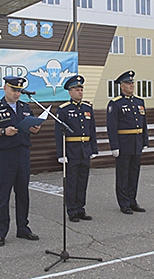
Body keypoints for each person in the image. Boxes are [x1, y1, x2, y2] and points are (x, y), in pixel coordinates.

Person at [0, 76, 41, 247]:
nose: (17, 94)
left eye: (19, 91)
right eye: (14, 90)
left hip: (22, 154)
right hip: (4, 156)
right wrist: (2, 132)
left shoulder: (25, 107)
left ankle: (23, 228)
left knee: (23, 194)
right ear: (5, 88)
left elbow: (32, 128)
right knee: (2, 195)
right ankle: (0, 233)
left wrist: (36, 128)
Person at [55, 75, 98, 223]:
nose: (80, 92)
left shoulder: (87, 108)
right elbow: (58, 133)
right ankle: (72, 210)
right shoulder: (63, 109)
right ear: (70, 92)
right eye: (76, 90)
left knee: (83, 181)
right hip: (71, 151)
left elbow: (92, 130)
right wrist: (61, 153)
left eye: (81, 89)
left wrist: (93, 149)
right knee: (72, 182)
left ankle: (81, 209)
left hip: (85, 150)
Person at [106, 70, 149, 215]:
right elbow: (112, 126)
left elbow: (144, 124)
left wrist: (145, 140)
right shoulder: (115, 103)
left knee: (134, 173)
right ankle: (123, 203)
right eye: (128, 83)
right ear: (121, 86)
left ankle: (132, 200)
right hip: (124, 144)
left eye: (132, 83)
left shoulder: (139, 102)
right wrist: (114, 146)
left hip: (136, 143)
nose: (132, 85)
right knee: (123, 174)